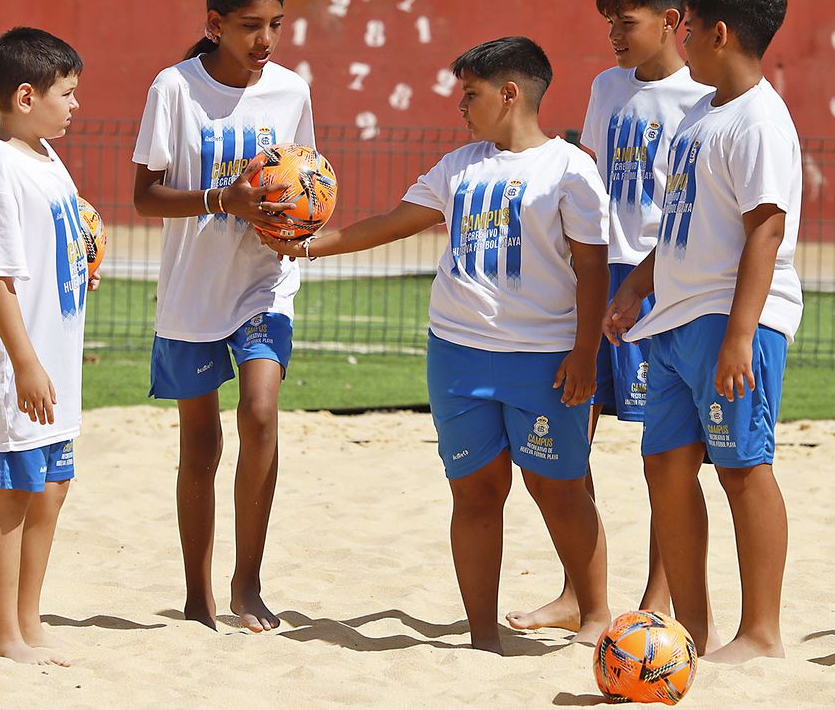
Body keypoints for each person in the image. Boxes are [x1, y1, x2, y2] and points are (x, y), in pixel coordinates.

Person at [261, 36, 612, 653]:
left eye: (470, 94)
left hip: (545, 361)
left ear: (511, 93)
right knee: (475, 491)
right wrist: (311, 244)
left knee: (558, 486)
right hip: (457, 355)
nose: (461, 106)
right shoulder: (459, 166)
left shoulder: (570, 170)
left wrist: (586, 354)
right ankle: (481, 635)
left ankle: (595, 615)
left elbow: (594, 270)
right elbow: (392, 222)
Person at [605, 0, 801, 664]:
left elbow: (766, 231)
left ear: (719, 32)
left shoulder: (759, 121)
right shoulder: (701, 113)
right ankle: (692, 626)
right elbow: (682, 222)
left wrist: (742, 335)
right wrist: (636, 288)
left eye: (688, 26)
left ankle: (762, 630)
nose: (682, 37)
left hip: (731, 321)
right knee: (663, 465)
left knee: (743, 467)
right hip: (675, 319)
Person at [506, 0, 707, 635]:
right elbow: (589, 179)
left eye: (627, 22)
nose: (615, 35)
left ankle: (658, 597)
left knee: (667, 450)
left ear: (672, 21)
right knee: (570, 431)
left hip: (662, 283)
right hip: (596, 277)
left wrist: (648, 280)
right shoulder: (605, 86)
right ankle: (577, 591)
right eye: (610, 23)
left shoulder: (702, 100)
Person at [131, 0, 310, 633]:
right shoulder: (174, 89)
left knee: (261, 412)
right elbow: (143, 197)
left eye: (275, 26)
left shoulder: (291, 92)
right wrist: (218, 197)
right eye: (250, 26)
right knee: (200, 445)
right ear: (213, 24)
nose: (265, 40)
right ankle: (196, 594)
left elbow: (305, 181)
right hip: (191, 291)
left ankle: (248, 584)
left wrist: (296, 227)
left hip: (262, 281)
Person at [0, 26, 97, 666]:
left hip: (57, 360)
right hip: (19, 370)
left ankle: (29, 620)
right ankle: (2, 636)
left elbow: (54, 237)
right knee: (11, 498)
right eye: (65, 94)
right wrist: (25, 363)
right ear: (24, 95)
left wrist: (83, 252)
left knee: (52, 490)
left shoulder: (45, 156)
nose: (75, 105)